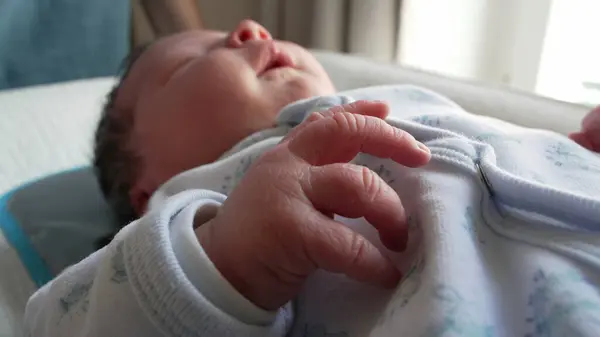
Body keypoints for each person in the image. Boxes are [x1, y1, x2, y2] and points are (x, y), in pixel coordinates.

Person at [25, 19, 600, 337]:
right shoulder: (196, 215)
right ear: (147, 186)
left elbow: (496, 158)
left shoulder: (407, 102)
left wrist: (568, 154)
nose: (247, 29)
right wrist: (227, 257)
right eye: (189, 61)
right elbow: (63, 326)